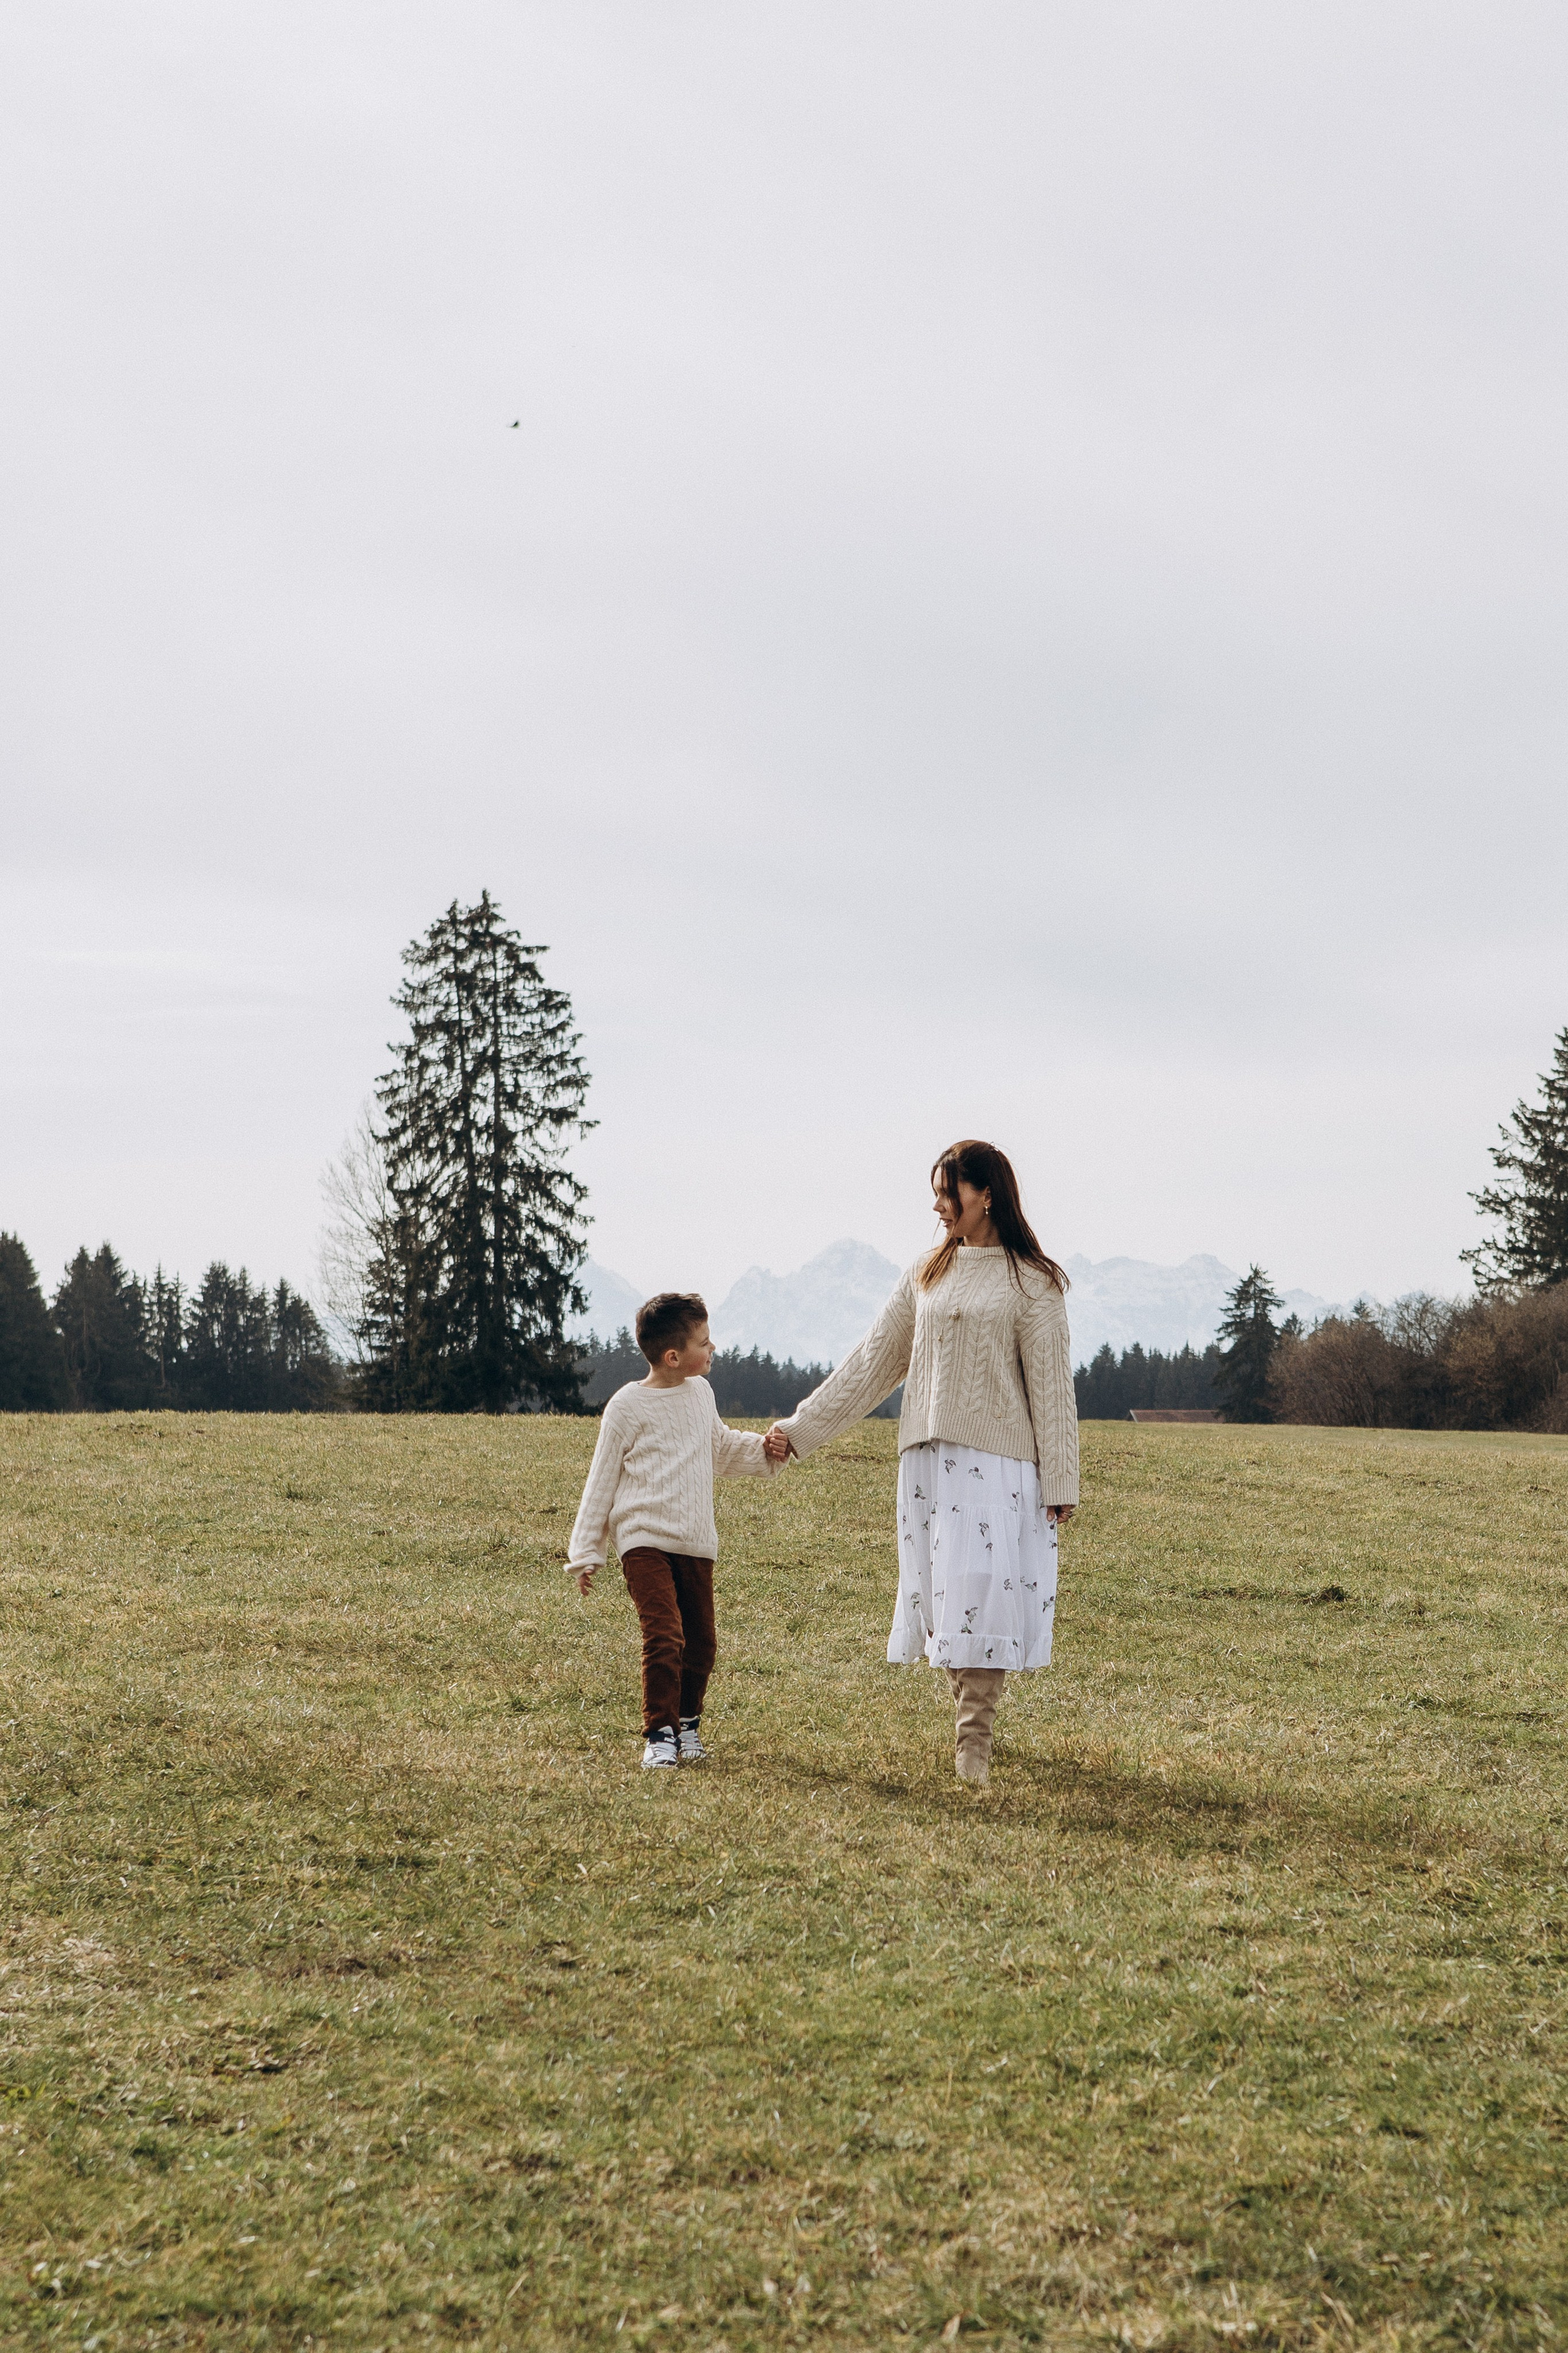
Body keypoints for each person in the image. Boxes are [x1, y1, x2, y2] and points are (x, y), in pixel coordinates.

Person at [763, 1140, 1077, 1788]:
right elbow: (871, 1362)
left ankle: (974, 1747)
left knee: (981, 1597)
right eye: (936, 1193)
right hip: (928, 1466)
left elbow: (1051, 1389)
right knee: (946, 1601)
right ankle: (973, 1723)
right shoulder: (926, 1274)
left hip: (998, 1468)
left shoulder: (1032, 1281)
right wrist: (801, 1430)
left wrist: (1061, 1479)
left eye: (948, 1192)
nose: (938, 1206)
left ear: (986, 1193)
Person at [567, 1291, 780, 1770]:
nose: (712, 1349)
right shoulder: (626, 1406)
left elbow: (721, 1449)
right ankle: (659, 1733)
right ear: (673, 1356)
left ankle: (688, 1725)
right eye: (704, 1342)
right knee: (665, 1635)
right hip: (643, 1540)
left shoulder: (701, 1394)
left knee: (701, 1642)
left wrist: (767, 1449)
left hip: (695, 1542)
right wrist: (586, 1552)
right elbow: (601, 1480)